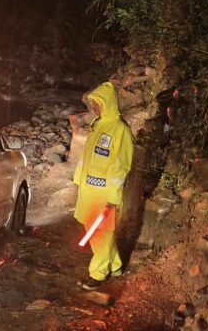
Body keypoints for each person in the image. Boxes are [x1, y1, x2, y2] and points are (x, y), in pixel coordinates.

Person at [72, 81, 134, 290]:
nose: (93, 107)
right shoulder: (97, 124)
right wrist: (78, 181)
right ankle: (115, 266)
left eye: (97, 103)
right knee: (98, 231)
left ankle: (98, 274)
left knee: (100, 233)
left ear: (107, 103)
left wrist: (112, 197)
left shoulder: (120, 129)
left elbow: (121, 166)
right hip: (89, 192)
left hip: (104, 195)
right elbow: (87, 157)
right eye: (92, 103)